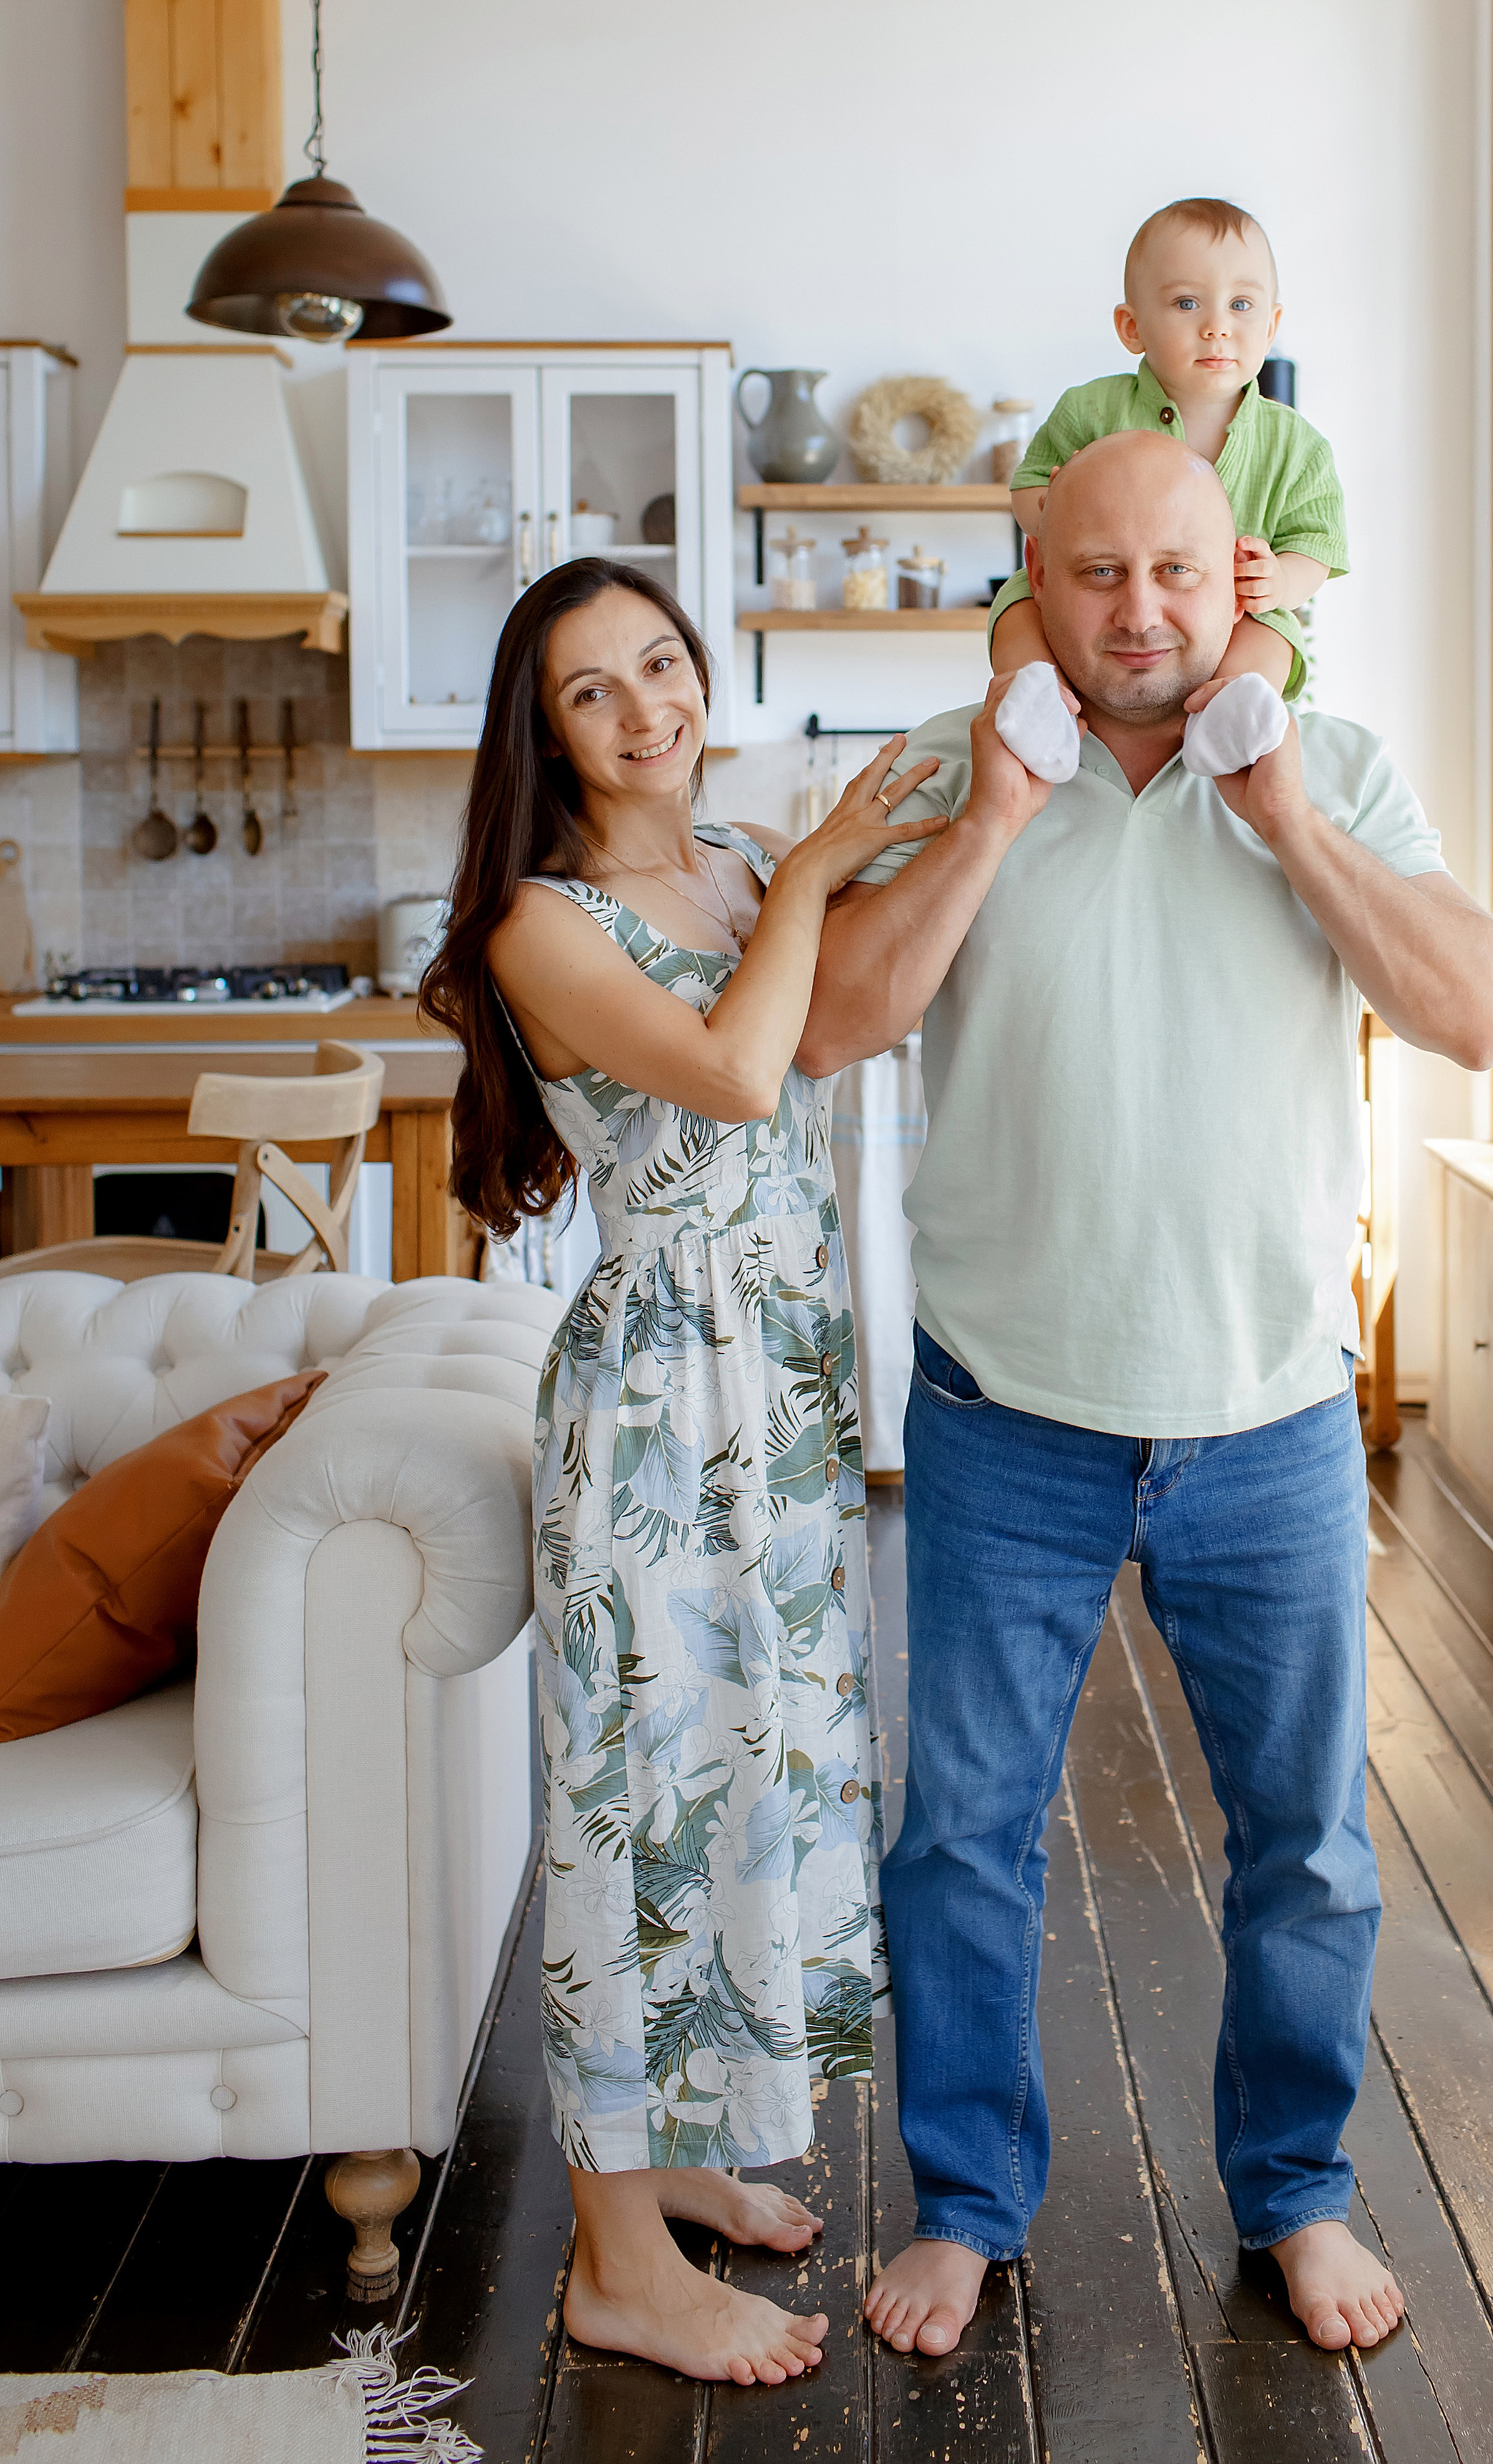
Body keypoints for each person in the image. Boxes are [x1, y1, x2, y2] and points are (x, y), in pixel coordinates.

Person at [797, 430, 1493, 2359]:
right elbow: (826, 1023)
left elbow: (1475, 1009)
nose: (1137, 615)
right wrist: (991, 819)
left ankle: (1294, 2193)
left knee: (1308, 1842)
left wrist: (1286, 813)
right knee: (963, 1833)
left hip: (1270, 1417)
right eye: (1097, 575)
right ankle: (966, 2199)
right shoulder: (958, 777)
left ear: (1237, 587)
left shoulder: (1335, 769)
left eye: (1175, 577)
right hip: (999, 1414)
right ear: (1034, 584)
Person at [423, 557, 942, 2388]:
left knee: (748, 1772)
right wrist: (811, 871)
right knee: (634, 1817)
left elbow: (830, 1015)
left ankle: (678, 2163)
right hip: (656, 1404)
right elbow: (733, 1071)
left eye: (663, 659)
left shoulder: (724, 859)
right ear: (539, 726)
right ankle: (611, 2261)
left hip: (776, 1385)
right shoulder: (532, 919)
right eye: (593, 687)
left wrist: (862, 848)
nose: (649, 704)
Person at [987, 196, 1345, 733]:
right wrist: (1058, 509)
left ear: (1271, 326)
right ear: (1132, 327)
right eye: (1186, 304)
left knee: (1274, 632)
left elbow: (1317, 541)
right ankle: (1038, 705)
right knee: (1017, 602)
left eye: (1241, 305)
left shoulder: (1296, 443)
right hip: (1104, 596)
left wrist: (1280, 581)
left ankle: (1232, 718)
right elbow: (1029, 486)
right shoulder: (1090, 409)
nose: (1217, 327)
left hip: (1234, 610)